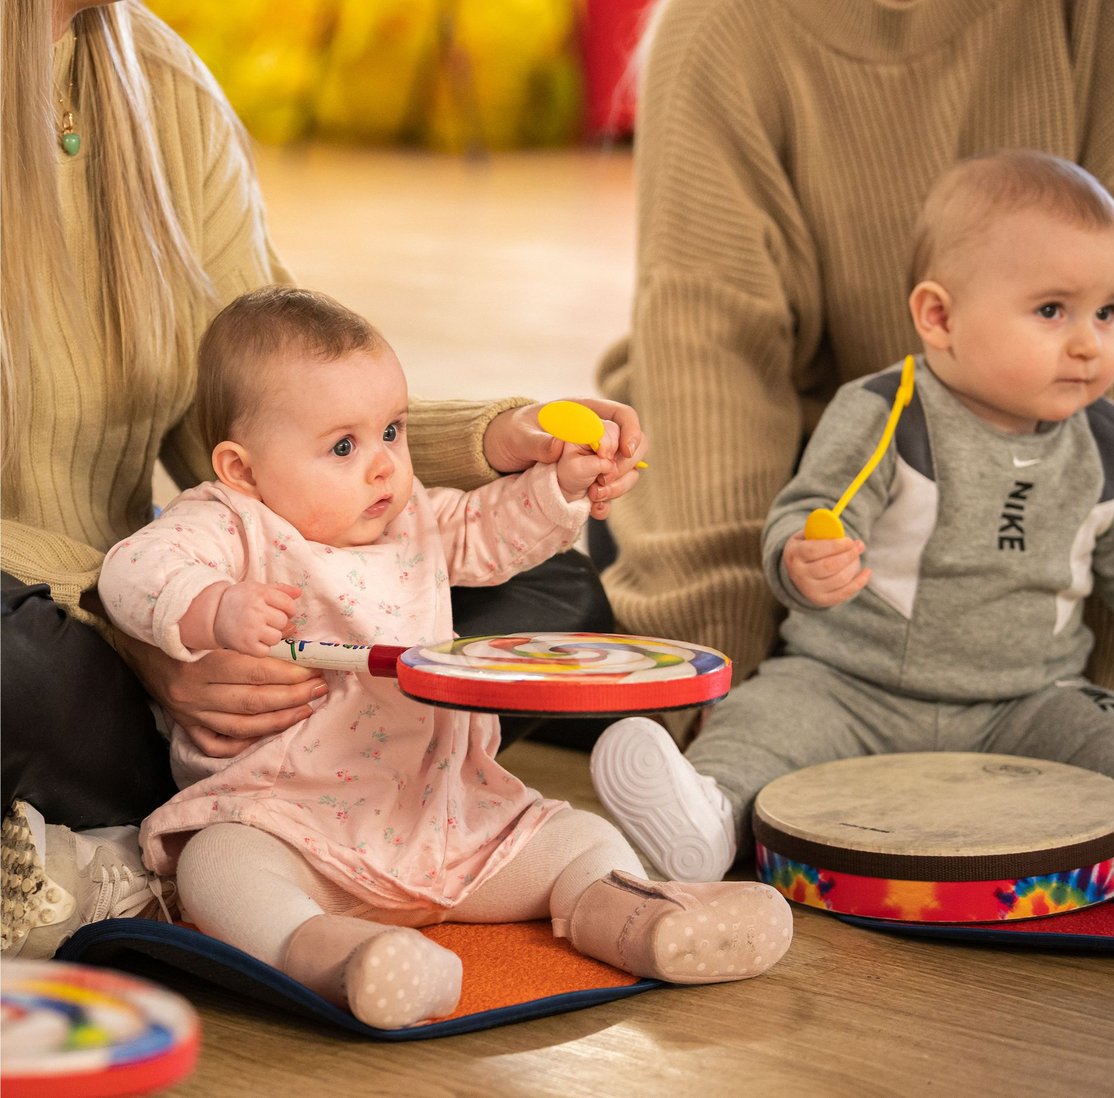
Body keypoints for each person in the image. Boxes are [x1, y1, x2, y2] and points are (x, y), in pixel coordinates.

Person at [0, 0, 645, 956]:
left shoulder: (162, 83)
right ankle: (262, 809)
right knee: (25, 679)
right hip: (57, 619)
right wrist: (149, 639)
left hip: (183, 604)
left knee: (557, 571)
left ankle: (240, 813)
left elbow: (272, 401)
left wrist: (504, 443)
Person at [91, 286, 791, 1028]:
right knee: (218, 868)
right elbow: (131, 571)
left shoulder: (412, 515)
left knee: (580, 835)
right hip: (287, 821)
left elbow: (492, 530)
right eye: (343, 447)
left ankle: (636, 918)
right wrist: (211, 606)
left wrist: (560, 485)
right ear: (242, 469)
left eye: (392, 431)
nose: (384, 467)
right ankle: (334, 957)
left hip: (445, 818)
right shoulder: (228, 523)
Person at [593, 0, 1114, 742]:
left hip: (1053, 619)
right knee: (498, 589)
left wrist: (1109, 710)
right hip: (829, 553)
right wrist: (722, 707)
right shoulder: (722, 31)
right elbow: (710, 373)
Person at [591, 150, 1114, 885]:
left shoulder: (1106, 443)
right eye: (1052, 311)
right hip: (850, 685)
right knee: (764, 717)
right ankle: (705, 814)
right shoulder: (888, 411)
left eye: (1109, 312)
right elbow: (811, 513)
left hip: (1029, 699)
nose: (1087, 342)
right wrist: (801, 561)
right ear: (939, 317)